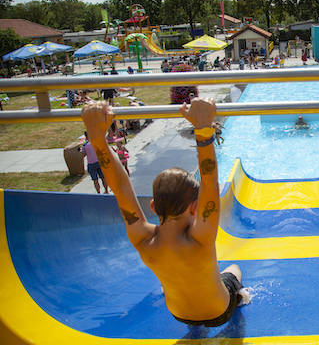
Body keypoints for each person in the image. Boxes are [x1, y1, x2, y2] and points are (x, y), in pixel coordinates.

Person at [80, 99, 247, 327]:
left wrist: (97, 137)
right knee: (234, 270)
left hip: (177, 313)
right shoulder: (200, 238)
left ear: (153, 207)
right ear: (195, 207)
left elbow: (120, 187)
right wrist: (203, 128)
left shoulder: (142, 238)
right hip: (218, 312)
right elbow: (209, 181)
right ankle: (240, 298)